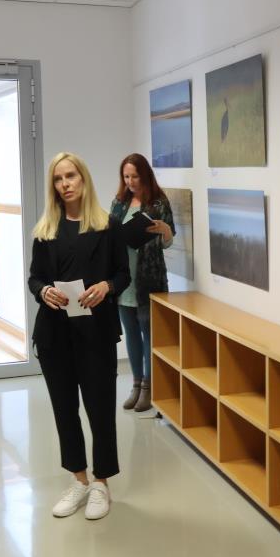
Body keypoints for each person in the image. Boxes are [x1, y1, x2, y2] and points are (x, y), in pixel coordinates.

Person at [29, 152, 130, 521]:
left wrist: (107, 286)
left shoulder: (108, 226)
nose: (65, 184)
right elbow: (34, 278)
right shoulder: (46, 230)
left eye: (70, 176)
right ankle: (79, 480)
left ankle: (102, 483)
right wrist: (43, 291)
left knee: (100, 410)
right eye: (58, 179)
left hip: (96, 333)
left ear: (83, 179)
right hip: (54, 334)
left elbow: (123, 274)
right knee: (64, 411)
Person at [108, 153, 174, 413]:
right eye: (126, 176)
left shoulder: (159, 202)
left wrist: (164, 230)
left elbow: (168, 241)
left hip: (149, 277)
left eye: (134, 176)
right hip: (124, 278)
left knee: (149, 333)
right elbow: (110, 235)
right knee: (131, 333)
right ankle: (135, 385)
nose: (130, 181)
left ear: (145, 175)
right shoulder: (119, 203)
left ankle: (149, 387)